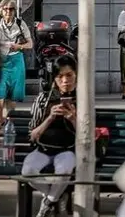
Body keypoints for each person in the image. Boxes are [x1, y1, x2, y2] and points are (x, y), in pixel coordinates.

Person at [23, 58, 78, 216]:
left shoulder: (82, 99)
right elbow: (33, 135)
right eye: (60, 76)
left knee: (64, 170)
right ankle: (55, 197)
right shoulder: (43, 99)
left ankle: (46, 205)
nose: (65, 81)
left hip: (67, 150)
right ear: (54, 79)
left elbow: (88, 136)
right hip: (43, 149)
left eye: (69, 75)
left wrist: (73, 119)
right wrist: (50, 118)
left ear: (76, 75)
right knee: (28, 172)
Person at [0, 0, 33, 125]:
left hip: (16, 60)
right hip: (0, 60)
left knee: (14, 95)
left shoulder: (20, 24)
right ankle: (0, 119)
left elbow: (30, 44)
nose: (8, 11)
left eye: (11, 9)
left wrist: (19, 46)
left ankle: (5, 117)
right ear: (1, 10)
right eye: (6, 9)